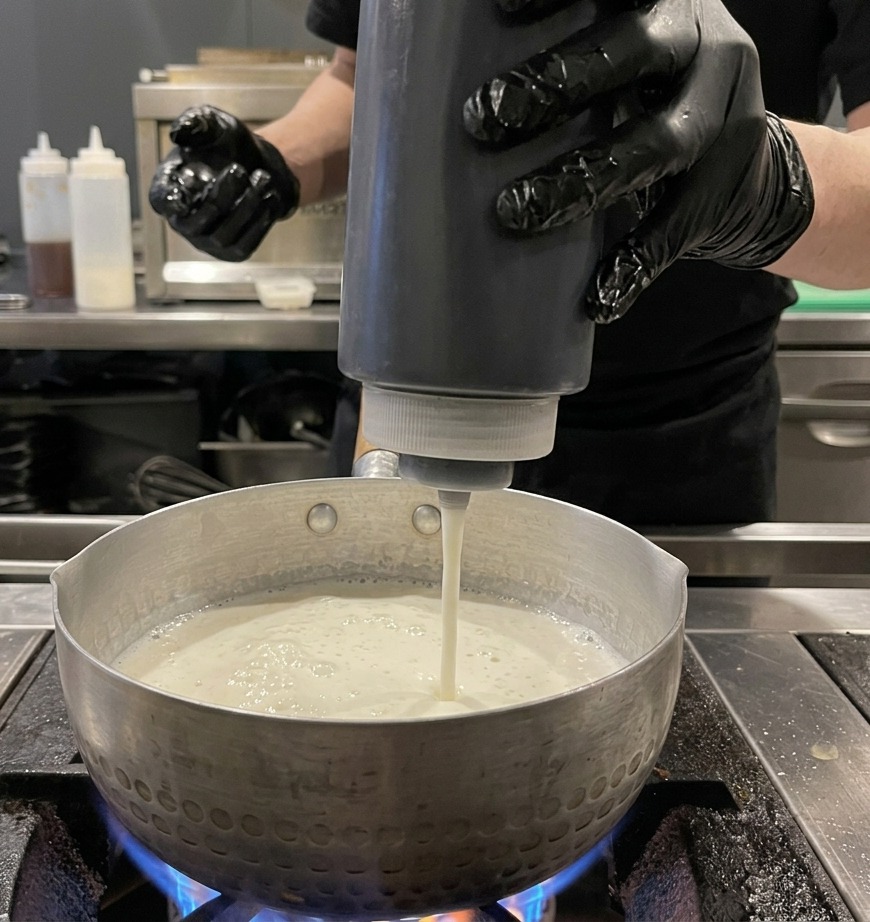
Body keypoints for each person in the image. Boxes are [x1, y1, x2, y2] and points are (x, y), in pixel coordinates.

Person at [149, 0, 870, 526]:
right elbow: (365, 74)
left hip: (675, 444)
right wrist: (280, 166)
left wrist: (769, 184)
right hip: (397, 398)